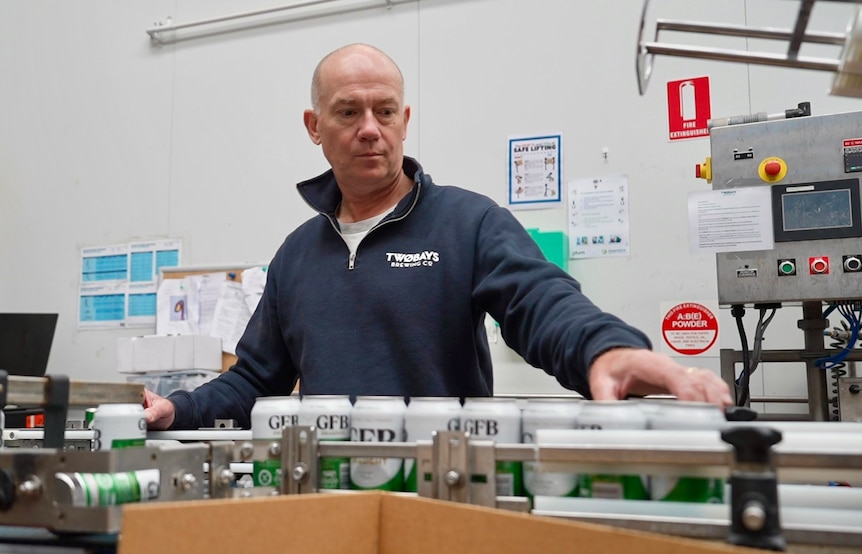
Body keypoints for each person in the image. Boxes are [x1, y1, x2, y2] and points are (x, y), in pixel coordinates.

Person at [145, 43, 731, 431]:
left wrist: (609, 350)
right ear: (314, 127)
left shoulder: (467, 223)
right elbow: (255, 379)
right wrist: (179, 408)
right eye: (348, 112)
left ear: (405, 119)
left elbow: (543, 305)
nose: (370, 129)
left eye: (385, 111)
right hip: (324, 493)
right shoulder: (296, 254)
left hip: (445, 486)